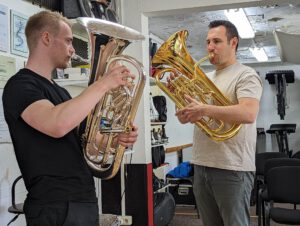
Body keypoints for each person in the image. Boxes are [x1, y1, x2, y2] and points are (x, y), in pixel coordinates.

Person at [2, 11, 138, 226]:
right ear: (46, 38)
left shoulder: (61, 93)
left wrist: (114, 138)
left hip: (81, 198)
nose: (73, 49)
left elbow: (81, 142)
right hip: (53, 203)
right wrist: (103, 84)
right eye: (68, 41)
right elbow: (57, 125)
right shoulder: (20, 85)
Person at [172, 20, 263, 226]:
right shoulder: (206, 77)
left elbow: (248, 113)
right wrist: (184, 113)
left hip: (232, 167)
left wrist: (204, 109)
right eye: (208, 42)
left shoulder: (246, 74)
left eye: (216, 41)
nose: (210, 47)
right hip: (202, 164)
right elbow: (193, 117)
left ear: (233, 43)